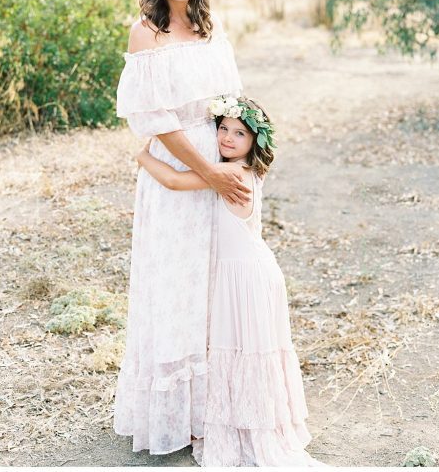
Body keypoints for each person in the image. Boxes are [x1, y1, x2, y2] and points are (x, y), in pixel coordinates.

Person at [114, 0, 248, 455]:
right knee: (175, 285)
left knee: (215, 285)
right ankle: (175, 417)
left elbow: (232, 102)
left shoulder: (213, 29)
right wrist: (207, 172)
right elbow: (157, 121)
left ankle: (214, 409)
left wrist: (237, 165)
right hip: (178, 168)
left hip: (217, 159)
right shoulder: (145, 33)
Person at [136, 96, 318, 466]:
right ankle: (244, 420)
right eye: (223, 129)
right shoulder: (240, 170)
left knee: (244, 354)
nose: (228, 138)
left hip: (246, 277)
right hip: (250, 271)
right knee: (245, 353)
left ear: (255, 142)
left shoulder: (232, 174)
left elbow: (172, 180)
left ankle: (247, 428)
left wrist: (143, 155)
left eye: (240, 133)